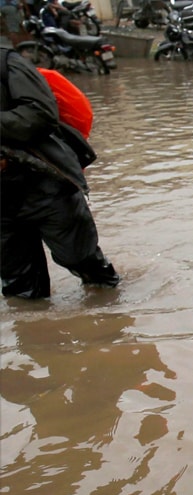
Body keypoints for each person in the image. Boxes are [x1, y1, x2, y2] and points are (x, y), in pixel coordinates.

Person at [1, 38, 120, 299]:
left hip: (44, 183)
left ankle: (112, 317)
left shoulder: (8, 64)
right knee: (19, 286)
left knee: (83, 261)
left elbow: (40, 114)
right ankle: (35, 337)